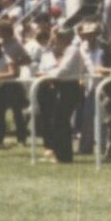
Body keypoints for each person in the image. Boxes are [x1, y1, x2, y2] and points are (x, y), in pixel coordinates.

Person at [35, 25, 88, 164]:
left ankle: (64, 156)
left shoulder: (72, 50)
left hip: (69, 87)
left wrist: (46, 74)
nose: (54, 40)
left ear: (63, 38)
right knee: (58, 120)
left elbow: (62, 71)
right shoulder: (64, 50)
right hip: (62, 86)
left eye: (57, 37)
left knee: (61, 120)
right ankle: (60, 154)